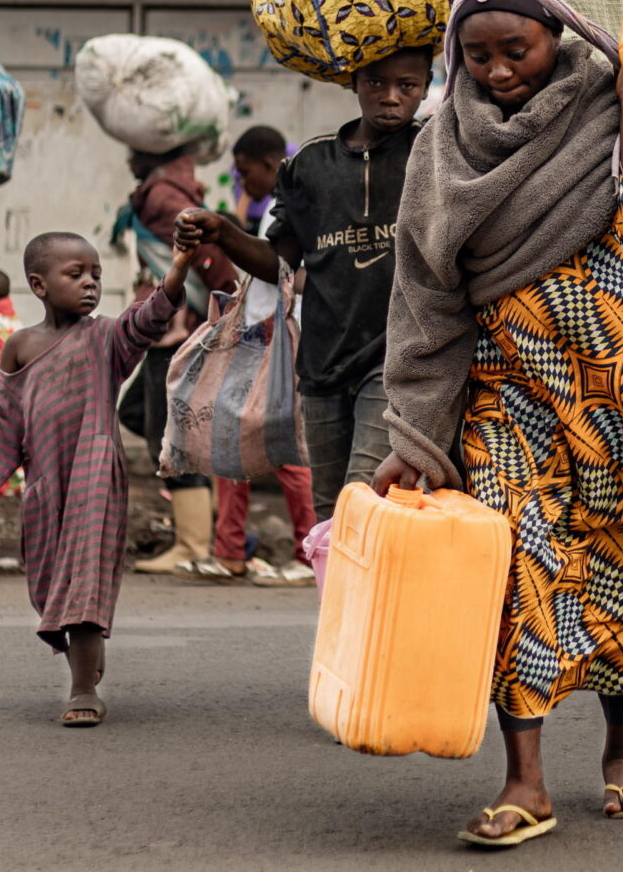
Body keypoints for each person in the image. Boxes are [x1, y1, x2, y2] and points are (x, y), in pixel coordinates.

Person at [372, 0, 623, 847]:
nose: (497, 71)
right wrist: (413, 439)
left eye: (515, 49)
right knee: (518, 568)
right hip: (512, 391)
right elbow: (423, 301)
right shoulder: (440, 151)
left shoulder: (606, 102)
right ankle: (524, 780)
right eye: (476, 55)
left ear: (558, 31)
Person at [0, 231, 195, 727]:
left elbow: (151, 316)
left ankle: (81, 691)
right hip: (45, 485)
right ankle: (85, 655)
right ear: (39, 285)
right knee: (55, 580)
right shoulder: (20, 348)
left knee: (85, 580)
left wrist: (178, 266)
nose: (90, 283)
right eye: (75, 275)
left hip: (95, 476)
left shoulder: (107, 338)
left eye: (95, 274)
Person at [175, 55, 431, 525]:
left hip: (395, 361)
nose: (391, 96)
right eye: (376, 81)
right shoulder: (312, 164)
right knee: (330, 517)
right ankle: (334, 601)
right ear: (353, 81)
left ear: (427, 85)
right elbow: (281, 262)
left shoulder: (434, 152)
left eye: (407, 85)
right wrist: (225, 233)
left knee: (363, 502)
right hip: (322, 364)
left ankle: (370, 601)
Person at [177, 125, 318, 586]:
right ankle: (230, 550)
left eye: (245, 174)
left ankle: (305, 550)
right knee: (229, 439)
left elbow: (298, 275)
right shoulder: (271, 209)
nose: (243, 184)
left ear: (269, 165)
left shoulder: (297, 205)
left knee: (285, 446)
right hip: (256, 334)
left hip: (282, 337)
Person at [123, 144, 235, 574]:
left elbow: (208, 255)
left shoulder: (163, 196)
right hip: (166, 332)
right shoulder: (164, 189)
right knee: (140, 415)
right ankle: (197, 528)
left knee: (173, 437)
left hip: (175, 334)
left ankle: (192, 544)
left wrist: (224, 315)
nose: (128, 159)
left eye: (135, 151)